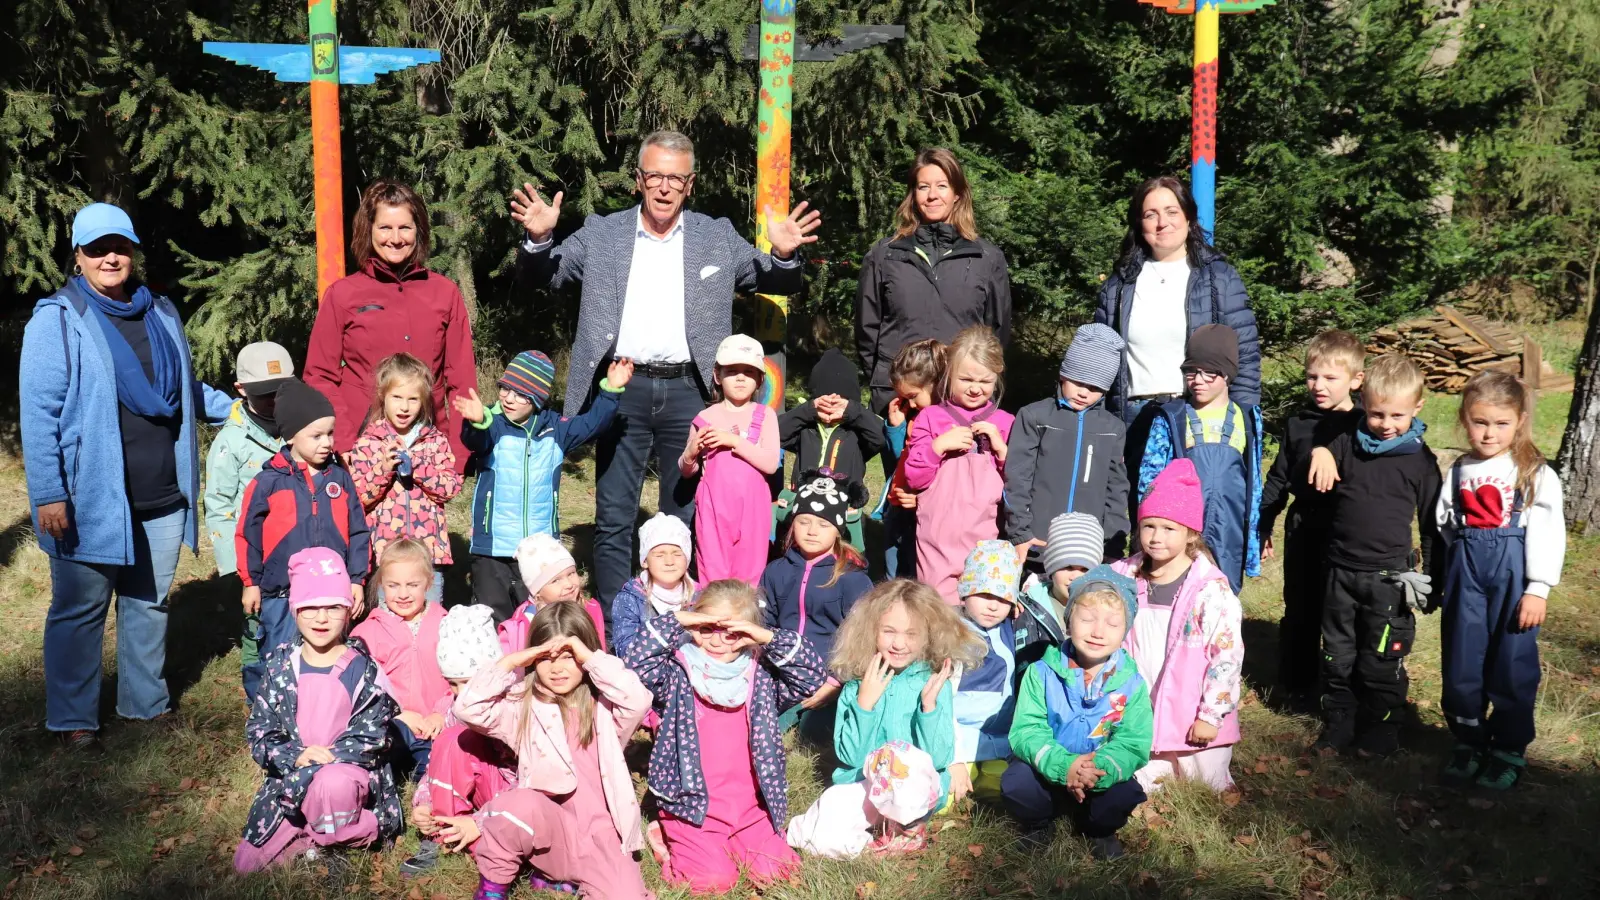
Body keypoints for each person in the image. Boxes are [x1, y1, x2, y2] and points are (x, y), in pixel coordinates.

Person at [511, 130, 820, 610]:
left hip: (691, 392)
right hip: (622, 388)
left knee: (690, 510)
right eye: (655, 175)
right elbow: (543, 275)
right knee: (614, 513)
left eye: (675, 178)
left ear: (690, 184)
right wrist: (539, 238)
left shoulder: (716, 235)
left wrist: (783, 254)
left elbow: (773, 277)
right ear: (638, 179)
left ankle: (688, 615)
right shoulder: (602, 232)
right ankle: (621, 618)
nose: (664, 187)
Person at [20, 202, 234, 747]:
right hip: (91, 497)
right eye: (97, 249)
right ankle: (73, 719)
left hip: (161, 493)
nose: (110, 257)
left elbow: (183, 387)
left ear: (133, 250)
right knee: (80, 609)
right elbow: (38, 414)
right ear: (78, 256)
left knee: (148, 604)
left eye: (119, 246)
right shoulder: (58, 317)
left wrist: (245, 409)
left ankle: (145, 703)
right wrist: (49, 493)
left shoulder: (159, 311)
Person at [438, 603, 654, 900]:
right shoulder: (521, 706)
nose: (557, 668)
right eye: (545, 658)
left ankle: (558, 881)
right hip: (546, 834)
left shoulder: (606, 708)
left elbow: (638, 698)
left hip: (601, 839)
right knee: (520, 804)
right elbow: (467, 709)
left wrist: (590, 656)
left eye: (569, 657)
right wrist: (513, 660)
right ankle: (493, 888)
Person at [623, 581, 827, 893]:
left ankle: (732, 842)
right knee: (714, 881)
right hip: (693, 808)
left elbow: (811, 675)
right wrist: (680, 619)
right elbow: (635, 665)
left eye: (732, 632)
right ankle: (665, 834)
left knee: (782, 872)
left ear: (748, 633)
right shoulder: (678, 669)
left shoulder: (761, 674)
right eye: (708, 628)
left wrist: (767, 637)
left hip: (749, 808)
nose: (718, 640)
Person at [785, 580, 987, 858]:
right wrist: (864, 705)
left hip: (914, 791)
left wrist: (929, 707)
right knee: (816, 826)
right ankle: (873, 846)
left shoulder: (931, 682)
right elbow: (851, 758)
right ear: (871, 631)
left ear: (927, 635)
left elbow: (939, 758)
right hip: (867, 785)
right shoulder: (858, 684)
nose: (899, 643)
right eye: (889, 631)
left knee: (898, 760)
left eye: (911, 634)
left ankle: (907, 828)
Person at [233, 548, 403, 872]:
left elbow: (374, 734)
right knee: (246, 865)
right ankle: (314, 833)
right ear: (295, 610)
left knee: (330, 784)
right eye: (310, 607)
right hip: (293, 776)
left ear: (348, 609)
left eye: (332, 607)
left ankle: (366, 825)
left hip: (344, 773)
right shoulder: (281, 665)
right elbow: (260, 730)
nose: (321, 618)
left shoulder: (363, 669)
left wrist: (325, 761)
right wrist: (293, 756)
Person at [1307, 354, 1443, 758]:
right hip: (1341, 574)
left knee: (1382, 658)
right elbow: (1324, 445)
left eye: (1397, 416)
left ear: (1417, 408)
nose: (1386, 425)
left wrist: (1435, 581)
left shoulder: (1421, 462)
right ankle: (1339, 722)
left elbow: (1432, 527)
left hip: (1389, 579)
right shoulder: (1346, 443)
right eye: (1377, 414)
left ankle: (1382, 728)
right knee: (1337, 654)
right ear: (1363, 402)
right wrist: (1321, 452)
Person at [1434, 372, 1565, 789]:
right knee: (1462, 659)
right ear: (1464, 419)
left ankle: (1508, 748)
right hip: (1466, 574)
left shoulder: (1532, 472)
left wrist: (1537, 589)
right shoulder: (1459, 470)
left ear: (1520, 421)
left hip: (1515, 580)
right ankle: (1468, 740)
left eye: (1500, 423)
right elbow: (1446, 525)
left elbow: (1548, 533)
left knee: (1511, 663)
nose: (1489, 433)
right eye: (1480, 422)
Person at [304, 180, 477, 471]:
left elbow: (461, 382)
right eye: (385, 228)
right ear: (368, 230)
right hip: (362, 451)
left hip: (428, 448)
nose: (395, 238)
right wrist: (344, 442)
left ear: (418, 230)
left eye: (405, 228)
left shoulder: (444, 293)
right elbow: (320, 376)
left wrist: (457, 456)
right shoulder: (343, 294)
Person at [456, 351, 631, 622]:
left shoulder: (555, 430)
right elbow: (475, 440)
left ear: (537, 399)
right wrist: (477, 421)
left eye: (521, 394)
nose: (509, 398)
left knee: (541, 618)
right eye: (505, 389)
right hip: (492, 548)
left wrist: (611, 390)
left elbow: (593, 424)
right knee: (492, 617)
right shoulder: (492, 424)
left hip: (540, 549)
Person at [1112, 460, 1244, 792]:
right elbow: (1088, 591)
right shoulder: (1124, 575)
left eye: (1169, 528)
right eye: (1148, 526)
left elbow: (1226, 656)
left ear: (1190, 534)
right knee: (1143, 782)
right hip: (1142, 694)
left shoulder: (1210, 589)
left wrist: (1211, 715)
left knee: (1208, 784)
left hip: (1191, 701)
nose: (1156, 538)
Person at [1003, 565, 1151, 860]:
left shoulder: (1132, 683)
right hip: (1049, 769)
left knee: (1123, 794)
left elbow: (1133, 741)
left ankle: (1097, 829)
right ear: (1069, 621)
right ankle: (1038, 823)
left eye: (1112, 624)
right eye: (1087, 619)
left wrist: (1100, 769)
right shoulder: (1041, 672)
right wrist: (1066, 766)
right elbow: (1027, 730)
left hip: (1098, 774)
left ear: (1125, 630)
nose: (1098, 632)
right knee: (1017, 782)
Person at [235, 378, 370, 698]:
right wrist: (250, 581)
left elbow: (358, 529)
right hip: (281, 593)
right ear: (291, 435)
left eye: (330, 434)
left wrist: (356, 579)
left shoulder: (340, 478)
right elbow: (246, 534)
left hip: (331, 591)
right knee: (279, 655)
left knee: (329, 654)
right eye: (317, 435)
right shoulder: (267, 482)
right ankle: (274, 711)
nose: (327, 442)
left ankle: (326, 707)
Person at [1092, 175, 1261, 427]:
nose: (1162, 223)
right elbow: (1099, 364)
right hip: (1131, 423)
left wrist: (1239, 425)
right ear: (1139, 223)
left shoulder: (1219, 278)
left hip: (1199, 418)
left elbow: (1245, 358)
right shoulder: (1118, 286)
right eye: (1151, 214)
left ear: (1188, 216)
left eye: (1172, 211)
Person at [855, 147, 1012, 417]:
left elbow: (996, 334)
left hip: (959, 399)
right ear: (913, 195)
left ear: (957, 194)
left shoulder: (986, 258)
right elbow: (866, 330)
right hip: (899, 398)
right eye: (923, 186)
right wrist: (889, 379)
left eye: (942, 185)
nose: (932, 195)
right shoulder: (884, 255)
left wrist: (972, 379)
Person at [1257, 330, 1365, 707]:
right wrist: (1265, 521)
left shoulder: (1366, 424)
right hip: (1304, 526)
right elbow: (1278, 477)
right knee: (1300, 607)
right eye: (1312, 376)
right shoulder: (1298, 423)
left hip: (1347, 528)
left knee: (1343, 613)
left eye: (1330, 378)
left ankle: (1346, 690)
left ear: (1356, 380)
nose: (1318, 385)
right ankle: (1296, 686)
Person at [1136, 324, 1262, 593]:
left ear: (1227, 375)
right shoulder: (1172, 417)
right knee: (1177, 589)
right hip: (1181, 531)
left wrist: (1254, 534)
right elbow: (1149, 480)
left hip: (1231, 528)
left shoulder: (1247, 418)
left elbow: (1255, 481)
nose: (1198, 380)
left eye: (1210, 373)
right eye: (1191, 371)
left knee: (1224, 592)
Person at [205, 341, 295, 704]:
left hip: (298, 547)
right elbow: (219, 506)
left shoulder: (299, 428)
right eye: (264, 394)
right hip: (255, 558)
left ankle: (299, 696)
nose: (274, 399)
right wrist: (239, 572)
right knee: (257, 630)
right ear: (241, 390)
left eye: (281, 391)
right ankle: (259, 703)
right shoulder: (231, 440)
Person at [760, 470, 874, 740]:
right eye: (804, 521)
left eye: (823, 525)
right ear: (792, 523)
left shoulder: (852, 579)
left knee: (813, 735)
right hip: (782, 670)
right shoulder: (775, 571)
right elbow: (764, 623)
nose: (812, 531)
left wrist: (836, 681)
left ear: (837, 530)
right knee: (759, 724)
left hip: (829, 676)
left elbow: (863, 638)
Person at [903, 326, 1014, 603]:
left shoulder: (1006, 423)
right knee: (937, 612)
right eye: (966, 379)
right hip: (936, 541)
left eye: (985, 382)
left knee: (980, 612)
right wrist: (938, 446)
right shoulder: (930, 417)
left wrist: (1001, 450)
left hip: (985, 541)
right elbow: (914, 478)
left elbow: (1018, 483)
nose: (976, 388)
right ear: (949, 375)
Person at [1004, 323, 1131, 560]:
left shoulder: (1113, 429)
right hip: (1037, 544)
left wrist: (1113, 546)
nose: (1084, 393)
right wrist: (1020, 533)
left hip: (1088, 549)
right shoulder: (1034, 416)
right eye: (1079, 382)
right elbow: (1017, 479)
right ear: (1063, 375)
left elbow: (1116, 491)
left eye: (1095, 388)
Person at [407, 604, 516, 876]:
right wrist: (425, 803)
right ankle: (441, 831)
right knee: (452, 740)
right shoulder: (450, 708)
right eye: (452, 684)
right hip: (480, 797)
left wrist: (481, 821)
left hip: (511, 800)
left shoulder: (514, 706)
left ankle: (480, 837)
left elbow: (527, 783)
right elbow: (437, 765)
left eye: (467, 682)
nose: (460, 693)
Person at [350, 540, 450, 825]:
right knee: (374, 757)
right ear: (381, 584)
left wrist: (440, 713)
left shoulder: (446, 624)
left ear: (429, 583)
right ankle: (372, 801)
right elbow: (365, 687)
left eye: (412, 585)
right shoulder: (368, 631)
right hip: (393, 724)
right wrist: (396, 714)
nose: (403, 594)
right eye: (393, 585)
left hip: (434, 724)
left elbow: (457, 680)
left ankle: (428, 798)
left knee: (440, 761)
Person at [347, 353, 462, 604]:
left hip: (428, 553)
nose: (404, 407)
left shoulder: (435, 441)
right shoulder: (368, 442)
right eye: (397, 397)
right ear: (383, 397)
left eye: (413, 399)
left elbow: (450, 488)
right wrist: (384, 469)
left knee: (428, 617)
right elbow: (357, 498)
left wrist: (419, 466)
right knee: (388, 619)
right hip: (385, 555)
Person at [680, 334, 781, 586]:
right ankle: (714, 623)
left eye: (748, 372)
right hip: (713, 508)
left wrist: (734, 441)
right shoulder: (705, 417)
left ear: (760, 379)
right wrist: (691, 451)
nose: (740, 377)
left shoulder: (765, 415)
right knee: (713, 571)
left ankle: (743, 622)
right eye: (732, 371)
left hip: (753, 509)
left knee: (750, 574)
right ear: (717, 375)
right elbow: (686, 470)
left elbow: (770, 463)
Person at [948, 541, 1037, 806]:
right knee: (943, 799)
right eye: (984, 594)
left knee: (1005, 790)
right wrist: (952, 757)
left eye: (1003, 598)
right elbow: (939, 701)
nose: (993, 606)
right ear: (965, 591)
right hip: (956, 740)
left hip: (1001, 742)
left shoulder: (1012, 629)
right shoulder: (950, 632)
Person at [776, 348, 884, 551]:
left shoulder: (855, 433)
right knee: (797, 550)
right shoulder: (806, 429)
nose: (831, 408)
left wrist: (852, 411)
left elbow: (880, 436)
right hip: (805, 509)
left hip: (844, 509)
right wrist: (808, 411)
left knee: (845, 556)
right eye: (825, 402)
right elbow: (775, 433)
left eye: (839, 403)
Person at [871, 339, 945, 578]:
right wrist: (897, 428)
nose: (910, 403)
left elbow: (946, 474)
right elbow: (903, 457)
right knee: (894, 570)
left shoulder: (945, 422)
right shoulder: (914, 416)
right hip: (899, 508)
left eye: (913, 395)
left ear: (937, 384)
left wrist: (922, 499)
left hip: (924, 513)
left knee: (916, 574)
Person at [500, 535, 608, 654]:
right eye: (555, 580)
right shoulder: (526, 622)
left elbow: (599, 651)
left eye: (571, 573)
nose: (568, 584)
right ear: (537, 592)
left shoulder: (590, 609)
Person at [610, 513, 696, 654]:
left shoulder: (699, 596)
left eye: (677, 554)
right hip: (645, 672)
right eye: (659, 555)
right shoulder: (630, 599)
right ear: (645, 561)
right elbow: (626, 651)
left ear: (687, 559)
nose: (669, 562)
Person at [1018, 512, 1107, 645]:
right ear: (1051, 567)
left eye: (1084, 569)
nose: (1075, 577)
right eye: (1068, 567)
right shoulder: (1028, 604)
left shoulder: (1105, 608)